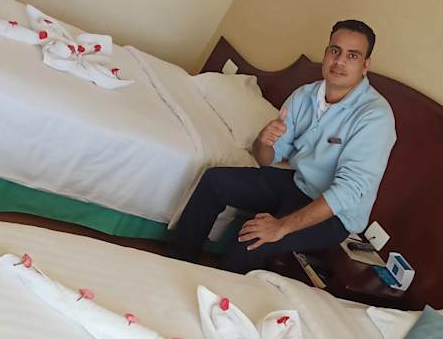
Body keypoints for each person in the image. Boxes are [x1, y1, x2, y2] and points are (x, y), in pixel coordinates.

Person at [169, 19, 397, 273]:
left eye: (352, 55)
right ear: (326, 54)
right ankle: (178, 262)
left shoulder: (375, 117)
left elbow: (346, 191)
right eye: (335, 51)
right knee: (214, 180)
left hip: (336, 215)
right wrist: (263, 141)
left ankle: (223, 294)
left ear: (365, 65)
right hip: (299, 183)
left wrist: (281, 227)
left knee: (251, 240)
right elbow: (266, 159)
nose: (339, 61)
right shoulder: (305, 95)